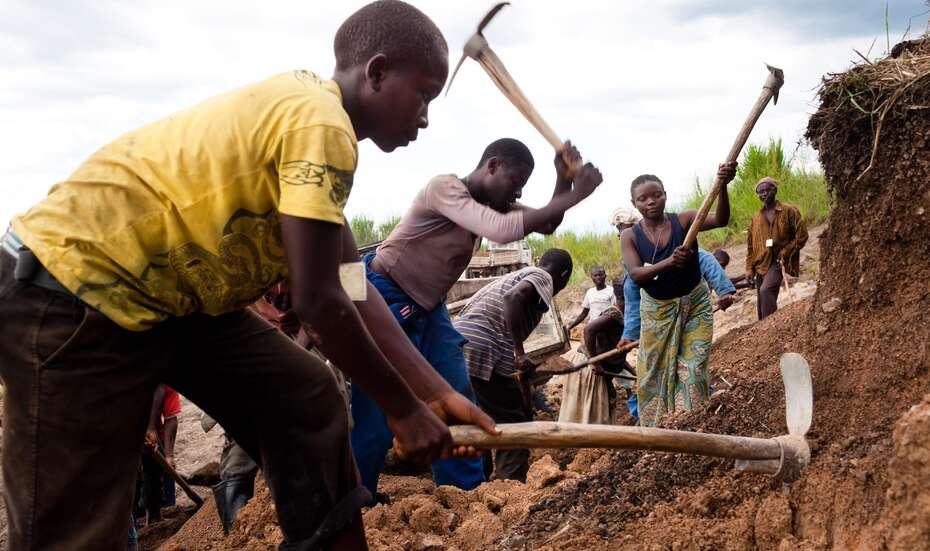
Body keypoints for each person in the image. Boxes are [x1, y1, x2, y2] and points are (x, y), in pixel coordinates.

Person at [0, 2, 498, 549]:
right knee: (74, 528)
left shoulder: (310, 125)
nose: (425, 117)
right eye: (423, 95)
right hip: (71, 289)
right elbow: (319, 302)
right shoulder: (321, 124)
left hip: (168, 303)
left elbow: (352, 287)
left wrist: (432, 392)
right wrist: (403, 410)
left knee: (303, 397)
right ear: (377, 71)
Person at [355, 139, 601, 496]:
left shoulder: (491, 203)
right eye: (515, 182)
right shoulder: (445, 188)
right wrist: (578, 194)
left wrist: (563, 179)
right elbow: (499, 230)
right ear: (493, 165)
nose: (518, 192)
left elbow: (547, 222)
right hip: (387, 295)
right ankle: (357, 493)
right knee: (377, 403)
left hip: (431, 309)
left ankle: (464, 493)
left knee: (457, 397)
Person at [619, 163, 737, 427]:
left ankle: (688, 424)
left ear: (665, 195)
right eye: (643, 198)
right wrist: (670, 262)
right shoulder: (630, 236)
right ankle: (656, 429)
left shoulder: (684, 220)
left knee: (694, 367)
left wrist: (723, 186)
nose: (651, 201)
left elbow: (720, 219)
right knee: (652, 373)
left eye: (656, 195)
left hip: (695, 305)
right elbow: (636, 274)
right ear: (634, 203)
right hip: (657, 311)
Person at [456, 249, 574, 482]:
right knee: (514, 425)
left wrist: (526, 400)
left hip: (462, 343)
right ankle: (509, 485)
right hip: (483, 345)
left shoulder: (515, 276)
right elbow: (513, 297)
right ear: (564, 274)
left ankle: (477, 482)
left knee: (479, 416)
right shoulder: (542, 276)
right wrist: (520, 354)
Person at [559, 275, 633, 424]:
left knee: (598, 410)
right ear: (628, 295)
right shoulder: (613, 316)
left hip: (597, 367)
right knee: (589, 414)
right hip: (589, 368)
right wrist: (595, 362)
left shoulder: (624, 316)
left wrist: (636, 374)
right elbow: (588, 330)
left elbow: (616, 354)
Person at [746, 176, 809, 320]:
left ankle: (770, 324)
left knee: (766, 290)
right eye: (760, 192)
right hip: (760, 263)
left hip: (778, 261)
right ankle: (764, 326)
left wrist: (786, 251)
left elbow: (802, 235)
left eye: (766, 191)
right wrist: (749, 269)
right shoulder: (755, 218)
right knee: (762, 301)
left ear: (775, 191)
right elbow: (750, 247)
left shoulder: (789, 211)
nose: (763, 194)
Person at [565, 266, 613, 332]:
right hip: (593, 326)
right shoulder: (590, 292)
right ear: (592, 277)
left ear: (605, 276)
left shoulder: (611, 291)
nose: (598, 277)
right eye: (595, 275)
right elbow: (584, 313)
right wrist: (570, 327)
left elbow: (615, 311)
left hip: (607, 326)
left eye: (600, 275)